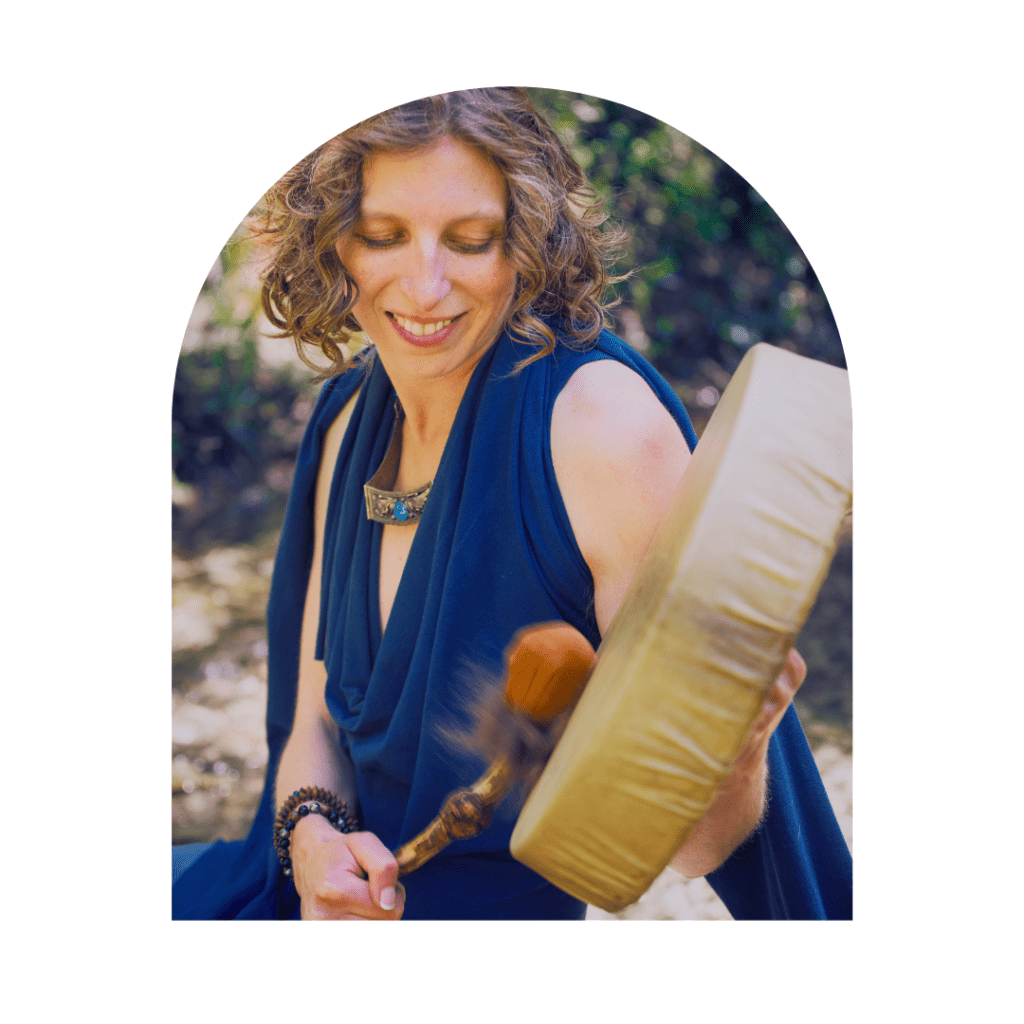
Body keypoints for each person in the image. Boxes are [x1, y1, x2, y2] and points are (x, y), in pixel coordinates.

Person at [172, 88, 852, 921]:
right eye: (383, 235)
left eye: (471, 240)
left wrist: (735, 755)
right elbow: (313, 722)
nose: (424, 287)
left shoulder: (602, 432)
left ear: (525, 247)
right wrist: (312, 836)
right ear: (332, 244)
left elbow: (696, 845)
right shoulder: (351, 413)